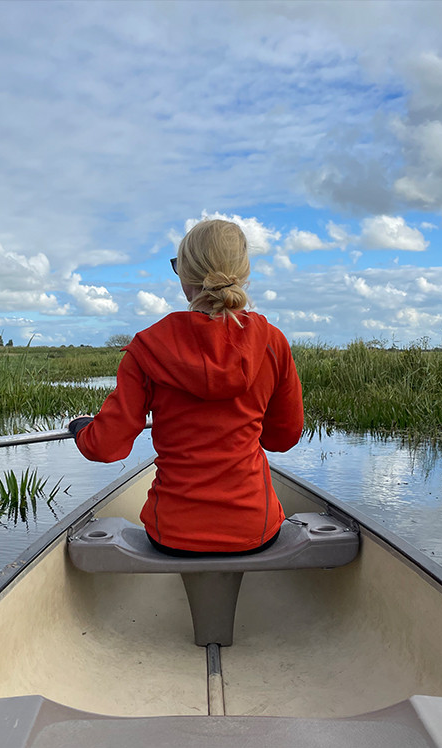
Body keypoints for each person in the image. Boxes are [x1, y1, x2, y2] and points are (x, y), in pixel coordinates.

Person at [68, 219, 304, 555]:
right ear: (242, 271)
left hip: (173, 534)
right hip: (255, 528)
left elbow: (105, 447)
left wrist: (80, 428)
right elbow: (282, 438)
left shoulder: (147, 346)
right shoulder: (272, 343)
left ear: (185, 276)